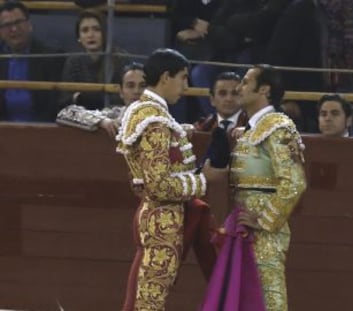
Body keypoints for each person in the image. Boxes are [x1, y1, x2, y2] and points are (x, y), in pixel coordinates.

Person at [201, 64, 307, 311]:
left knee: (267, 296)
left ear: (265, 90)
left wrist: (266, 220)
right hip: (245, 226)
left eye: (246, 82)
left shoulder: (277, 126)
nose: (240, 87)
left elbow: (294, 182)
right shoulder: (256, 128)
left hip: (263, 232)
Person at [116, 48, 209, 311]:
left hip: (156, 216)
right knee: (151, 300)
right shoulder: (154, 120)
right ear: (166, 77)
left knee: (146, 296)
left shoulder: (147, 112)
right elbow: (159, 185)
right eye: (182, 77)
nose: (186, 86)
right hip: (162, 220)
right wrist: (203, 181)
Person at [0, 0, 64, 122]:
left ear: (29, 24)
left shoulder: (51, 57)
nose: (14, 29)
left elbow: (54, 106)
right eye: (7, 25)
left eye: (18, 22)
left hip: (42, 131)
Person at [59, 9, 129, 110]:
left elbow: (123, 97)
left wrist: (83, 98)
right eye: (85, 30)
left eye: (96, 29)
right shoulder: (73, 62)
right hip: (81, 118)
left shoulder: (120, 59)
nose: (90, 35)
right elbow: (65, 100)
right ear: (79, 37)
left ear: (104, 33)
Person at [56, 62, 145, 137]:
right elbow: (65, 113)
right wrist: (101, 121)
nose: (136, 91)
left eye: (142, 86)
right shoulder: (116, 114)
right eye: (130, 86)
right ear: (121, 92)